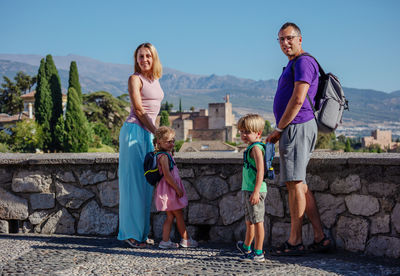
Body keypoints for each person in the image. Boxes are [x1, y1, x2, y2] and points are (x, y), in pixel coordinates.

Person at [266, 22, 331, 255]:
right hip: (296, 127)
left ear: (300, 39)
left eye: (289, 38)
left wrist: (279, 129)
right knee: (300, 184)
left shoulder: (304, 62)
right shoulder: (293, 64)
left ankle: (295, 241)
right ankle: (320, 237)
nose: (285, 43)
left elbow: (298, 99)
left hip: (296, 127)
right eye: (281, 39)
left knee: (294, 184)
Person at [118, 42, 164, 248]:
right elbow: (138, 108)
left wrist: (155, 134)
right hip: (134, 132)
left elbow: (155, 110)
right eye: (140, 56)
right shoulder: (134, 79)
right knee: (133, 185)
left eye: (148, 56)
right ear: (136, 60)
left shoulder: (155, 79)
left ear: (154, 58)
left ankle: (142, 233)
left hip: (148, 133)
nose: (144, 60)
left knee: (146, 184)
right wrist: (158, 133)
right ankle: (130, 234)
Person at [153, 126, 198, 249]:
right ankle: (186, 239)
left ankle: (165, 241)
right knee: (178, 215)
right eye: (168, 142)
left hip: (167, 189)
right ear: (159, 142)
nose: (171, 144)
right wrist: (177, 188)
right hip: (170, 190)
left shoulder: (164, 154)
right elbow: (167, 175)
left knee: (170, 216)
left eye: (173, 141)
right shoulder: (164, 157)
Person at [236, 114, 267, 262]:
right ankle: (247, 247)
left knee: (257, 222)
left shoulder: (256, 148)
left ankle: (258, 252)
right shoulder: (251, 147)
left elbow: (261, 170)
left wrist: (256, 191)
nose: (243, 135)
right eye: (241, 132)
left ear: (258, 133)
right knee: (250, 221)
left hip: (256, 191)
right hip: (249, 189)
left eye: (247, 132)